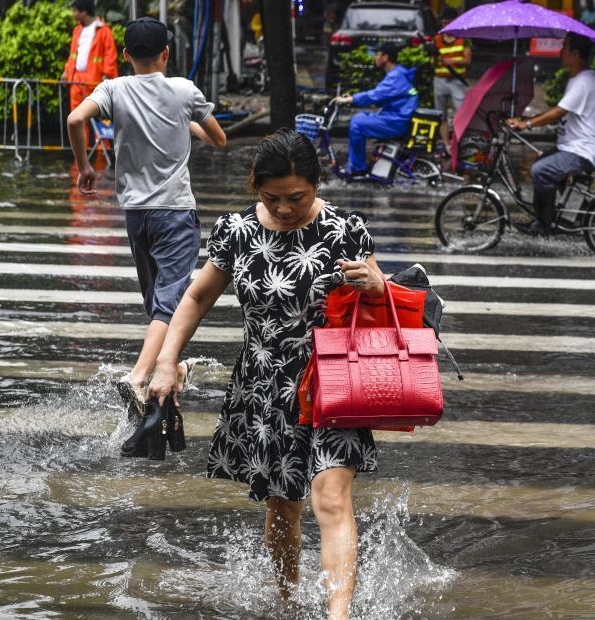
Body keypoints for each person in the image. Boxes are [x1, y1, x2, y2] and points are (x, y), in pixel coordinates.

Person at [147, 129, 386, 620]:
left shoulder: (345, 230)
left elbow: (379, 306)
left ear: (317, 186)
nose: (283, 209)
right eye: (271, 197)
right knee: (282, 509)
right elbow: (195, 297)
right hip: (265, 388)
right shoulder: (236, 231)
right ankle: (286, 602)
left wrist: (379, 286)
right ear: (256, 187)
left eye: (296, 198)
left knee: (332, 498)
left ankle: (337, 615)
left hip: (333, 382)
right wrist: (166, 361)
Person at [66, 17, 227, 417]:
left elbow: (74, 119)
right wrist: (188, 123)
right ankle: (139, 376)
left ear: (125, 56)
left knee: (158, 303)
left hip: (136, 215)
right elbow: (218, 138)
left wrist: (85, 167)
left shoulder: (113, 89)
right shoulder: (182, 90)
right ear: (166, 53)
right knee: (169, 304)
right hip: (174, 212)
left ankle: (171, 372)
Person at [506, 33, 595, 236]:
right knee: (540, 163)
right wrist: (523, 118)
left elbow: (559, 111)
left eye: (564, 48)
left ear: (575, 54)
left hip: (581, 151)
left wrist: (527, 123)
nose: (560, 52)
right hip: (572, 147)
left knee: (542, 171)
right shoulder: (577, 79)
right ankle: (553, 217)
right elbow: (561, 110)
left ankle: (544, 224)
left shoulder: (583, 82)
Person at [330, 42, 419, 178]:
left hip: (397, 121)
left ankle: (357, 168)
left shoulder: (395, 77)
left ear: (385, 57)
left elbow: (375, 95)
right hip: (396, 117)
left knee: (357, 124)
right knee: (361, 117)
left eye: (378, 54)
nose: (375, 57)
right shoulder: (397, 73)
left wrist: (351, 99)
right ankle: (359, 165)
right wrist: (353, 98)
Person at [61, 0, 119, 112]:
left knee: (96, 118)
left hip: (95, 80)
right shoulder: (77, 30)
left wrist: (107, 76)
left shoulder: (104, 30)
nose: (73, 14)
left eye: (75, 11)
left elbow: (110, 55)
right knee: (77, 116)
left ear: (84, 12)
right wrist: (66, 71)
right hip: (76, 80)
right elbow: (73, 54)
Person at [433, 8, 471, 151]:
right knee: (440, 114)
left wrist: (452, 61)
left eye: (449, 22)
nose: (446, 25)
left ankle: (458, 142)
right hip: (439, 80)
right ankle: (447, 144)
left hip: (456, 81)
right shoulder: (437, 39)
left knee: (460, 113)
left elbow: (467, 60)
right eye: (444, 22)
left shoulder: (463, 39)